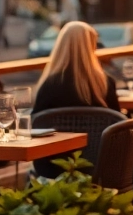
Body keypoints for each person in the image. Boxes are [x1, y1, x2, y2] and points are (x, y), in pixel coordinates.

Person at [30, 21, 121, 177]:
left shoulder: (49, 85)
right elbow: (118, 126)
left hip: (53, 169)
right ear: (91, 47)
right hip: (98, 166)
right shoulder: (105, 83)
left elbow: (36, 126)